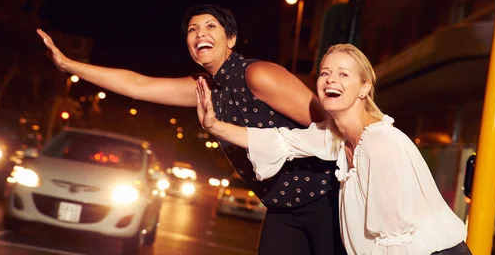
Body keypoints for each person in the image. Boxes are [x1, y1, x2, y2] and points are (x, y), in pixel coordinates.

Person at [38, 4, 346, 255]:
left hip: (325, 202)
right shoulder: (204, 89)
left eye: (211, 26)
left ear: (231, 39)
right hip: (280, 209)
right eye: (192, 29)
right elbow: (138, 85)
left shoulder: (258, 75)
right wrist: (69, 65)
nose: (200, 33)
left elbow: (333, 126)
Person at [196, 43, 472, 255]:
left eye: (343, 74)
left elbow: (394, 237)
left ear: (364, 89)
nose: (330, 80)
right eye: (325, 73)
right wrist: (215, 126)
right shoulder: (335, 136)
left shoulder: (380, 143)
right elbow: (279, 141)